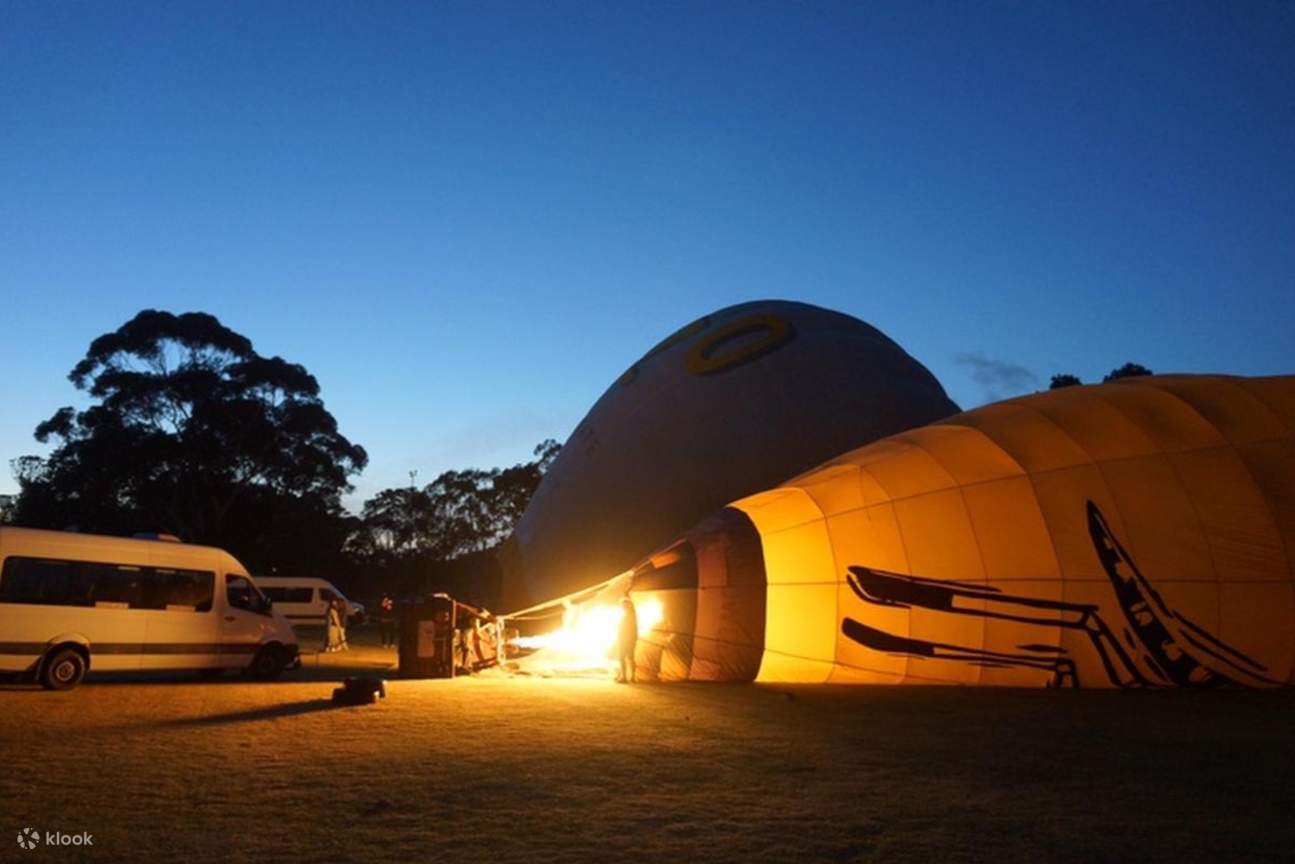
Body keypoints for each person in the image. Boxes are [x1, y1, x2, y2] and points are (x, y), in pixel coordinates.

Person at [615, 595, 638, 683]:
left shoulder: (629, 615)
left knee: (623, 657)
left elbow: (629, 629)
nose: (623, 607)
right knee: (630, 658)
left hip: (626, 639)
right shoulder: (630, 614)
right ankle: (631, 677)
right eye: (622, 605)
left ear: (628, 605)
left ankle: (624, 677)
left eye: (624, 605)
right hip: (628, 639)